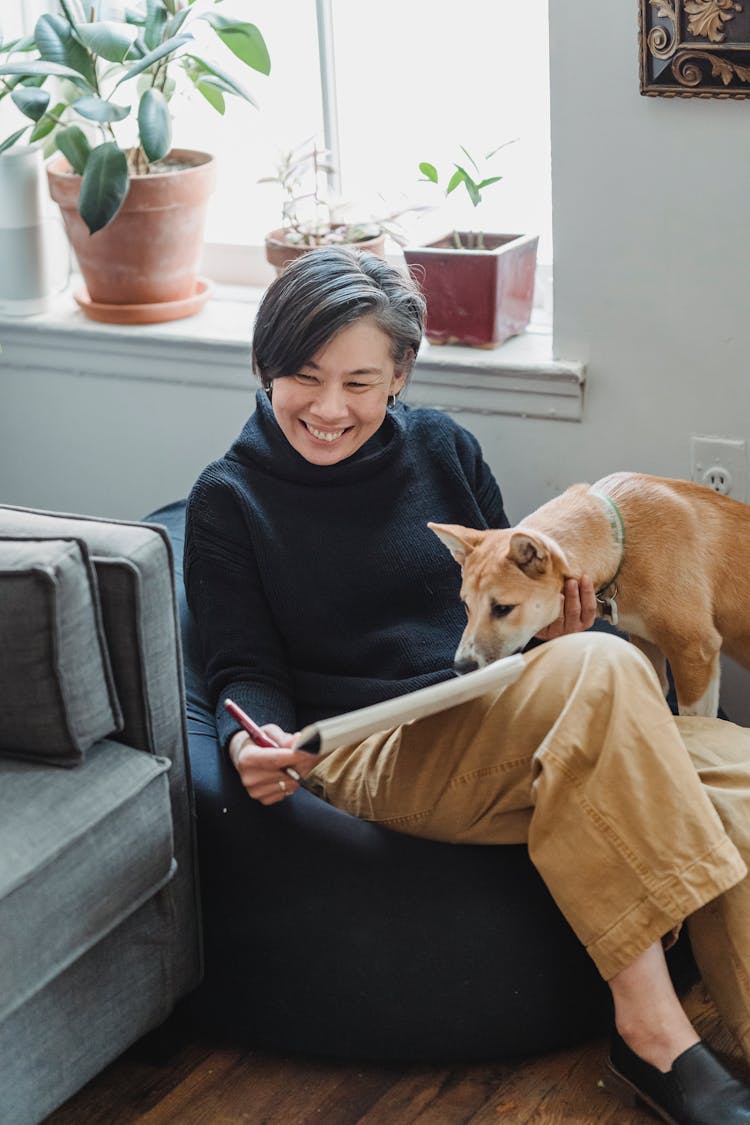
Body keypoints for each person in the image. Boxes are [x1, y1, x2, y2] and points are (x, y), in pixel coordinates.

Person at [184, 245, 750, 1123]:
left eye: (361, 382)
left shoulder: (446, 447)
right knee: (604, 667)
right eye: (303, 376)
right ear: (265, 367)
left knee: (733, 765)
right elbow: (240, 666)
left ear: (400, 374)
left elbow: (511, 603)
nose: (329, 408)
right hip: (372, 748)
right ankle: (653, 1034)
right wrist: (246, 740)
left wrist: (565, 630)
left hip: (499, 718)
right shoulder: (229, 498)